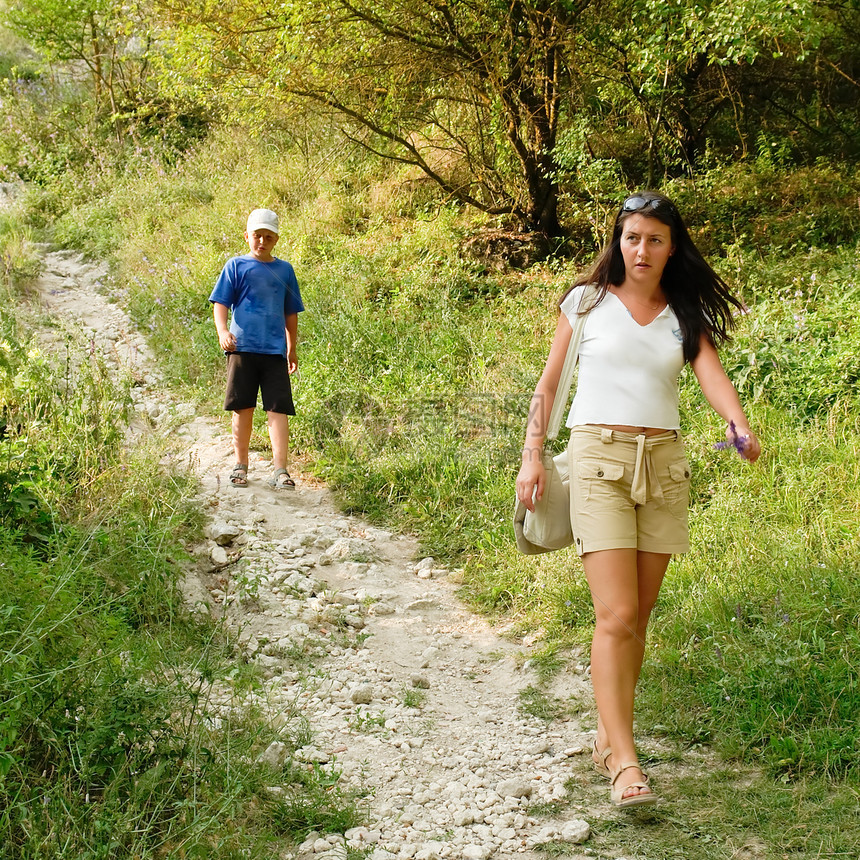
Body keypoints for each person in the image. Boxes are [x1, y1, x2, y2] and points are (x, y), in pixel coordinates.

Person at [515, 192, 761, 809]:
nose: (642, 249)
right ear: (617, 241)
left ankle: (608, 733)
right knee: (617, 613)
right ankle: (626, 762)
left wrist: (737, 423)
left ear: (672, 245)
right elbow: (548, 386)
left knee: (638, 616)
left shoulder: (683, 312)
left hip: (665, 468)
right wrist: (531, 454)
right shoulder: (587, 303)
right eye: (632, 237)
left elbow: (709, 372)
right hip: (599, 460)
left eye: (655, 239)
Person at [209, 208, 304, 489]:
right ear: (247, 236)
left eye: (268, 237)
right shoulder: (236, 266)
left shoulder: (285, 270)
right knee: (243, 407)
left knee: (278, 409)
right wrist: (223, 331)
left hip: (274, 352)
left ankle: (281, 470)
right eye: (257, 236)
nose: (262, 241)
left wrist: (291, 348)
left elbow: (290, 313)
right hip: (242, 349)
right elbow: (220, 303)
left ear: (276, 239)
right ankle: (241, 466)